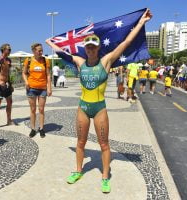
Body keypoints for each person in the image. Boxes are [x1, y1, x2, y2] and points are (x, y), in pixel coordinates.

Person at [46, 9, 152, 193]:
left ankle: (105, 177)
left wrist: (142, 22)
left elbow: (126, 42)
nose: (91, 49)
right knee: (80, 142)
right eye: (88, 46)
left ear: (98, 47)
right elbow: (60, 51)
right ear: (85, 48)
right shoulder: (79, 62)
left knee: (104, 144)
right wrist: (50, 41)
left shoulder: (106, 61)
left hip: (99, 108)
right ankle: (78, 171)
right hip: (83, 108)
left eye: (94, 46)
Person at [22, 43, 52, 138]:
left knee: (41, 109)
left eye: (41, 50)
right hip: (31, 88)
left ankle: (42, 128)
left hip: (43, 88)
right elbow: (24, 73)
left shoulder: (45, 60)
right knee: (33, 109)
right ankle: (33, 129)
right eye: (39, 50)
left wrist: (49, 87)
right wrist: (26, 82)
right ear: (34, 51)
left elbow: (48, 75)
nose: (41, 52)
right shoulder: (28, 60)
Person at [0, 44, 15, 129]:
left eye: (10, 49)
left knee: (10, 102)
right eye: (8, 49)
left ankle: (9, 120)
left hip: (7, 84)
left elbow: (8, 74)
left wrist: (11, 84)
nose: (10, 50)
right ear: (3, 50)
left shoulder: (9, 60)